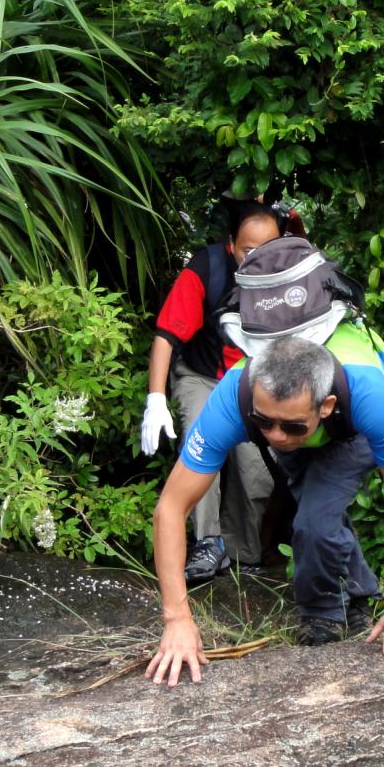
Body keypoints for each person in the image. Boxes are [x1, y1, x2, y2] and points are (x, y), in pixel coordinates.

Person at [145, 330, 384, 685]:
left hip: (350, 427)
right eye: (264, 423)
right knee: (317, 508)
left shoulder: (369, 397)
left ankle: (324, 618)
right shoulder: (233, 398)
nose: (277, 436)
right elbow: (171, 508)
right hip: (305, 420)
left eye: (291, 426)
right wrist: (177, 620)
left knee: (315, 521)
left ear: (325, 405)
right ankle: (357, 597)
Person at [141, 199, 283, 582]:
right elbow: (167, 336)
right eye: (248, 250)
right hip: (202, 375)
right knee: (202, 445)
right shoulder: (209, 268)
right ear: (231, 244)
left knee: (257, 469)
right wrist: (156, 400)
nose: (259, 259)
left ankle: (242, 551)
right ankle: (208, 543)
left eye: (269, 249)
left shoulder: (289, 276)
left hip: (253, 381)